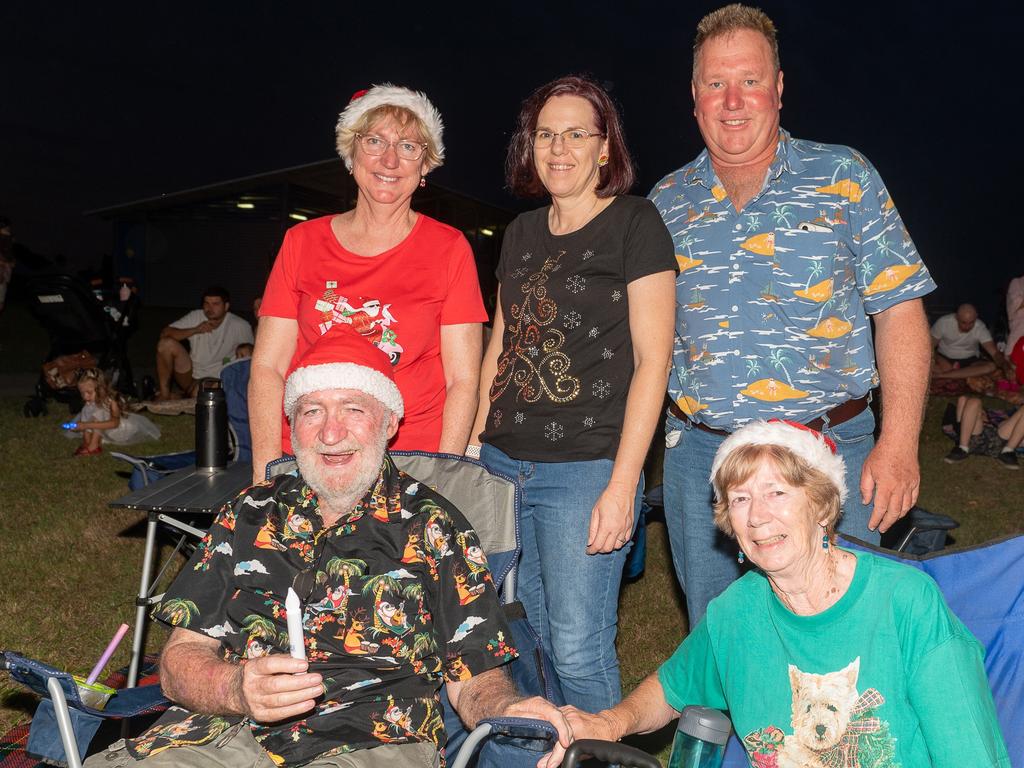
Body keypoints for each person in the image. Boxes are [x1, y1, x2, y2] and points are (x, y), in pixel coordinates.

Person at [84, 326, 570, 768]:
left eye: (353, 410)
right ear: (292, 428)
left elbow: (476, 676)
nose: (330, 433)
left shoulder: (434, 526)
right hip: (218, 735)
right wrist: (233, 686)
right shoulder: (248, 512)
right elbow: (178, 661)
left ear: (388, 423)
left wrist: (508, 707)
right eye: (312, 411)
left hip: (369, 743)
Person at [648, 3, 935, 625]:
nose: (732, 100)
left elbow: (900, 311)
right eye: (715, 84)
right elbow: (645, 347)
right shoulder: (665, 203)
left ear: (778, 88)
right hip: (706, 462)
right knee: (724, 642)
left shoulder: (844, 176)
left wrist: (901, 441)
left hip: (833, 453)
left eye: (749, 81)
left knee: (852, 636)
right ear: (694, 96)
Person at [544, 419, 1010, 768]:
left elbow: (968, 750)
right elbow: (670, 690)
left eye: (777, 493)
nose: (757, 516)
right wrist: (609, 723)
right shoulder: (735, 612)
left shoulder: (906, 602)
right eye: (740, 499)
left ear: (822, 505)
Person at [468, 75, 676, 712]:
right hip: (504, 463)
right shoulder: (521, 232)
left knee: (578, 644)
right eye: (545, 135)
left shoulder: (635, 223)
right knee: (523, 636)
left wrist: (623, 485)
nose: (559, 148)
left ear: (605, 147)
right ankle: (543, 749)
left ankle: (598, 751)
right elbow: (499, 346)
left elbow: (653, 362)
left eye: (576, 134)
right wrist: (475, 444)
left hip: (585, 467)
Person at [251, 84, 487, 483]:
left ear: (426, 165)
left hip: (413, 459)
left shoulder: (449, 248)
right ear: (352, 153)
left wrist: (446, 475)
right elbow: (268, 367)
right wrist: (266, 471)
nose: (390, 159)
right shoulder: (301, 242)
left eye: (410, 147)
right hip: (312, 453)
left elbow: (463, 380)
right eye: (375, 141)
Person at [155, 285, 254, 400]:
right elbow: (165, 333)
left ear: (226, 306)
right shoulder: (196, 316)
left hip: (218, 379)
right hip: (191, 375)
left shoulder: (240, 325)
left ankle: (183, 396)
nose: (209, 308)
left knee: (200, 394)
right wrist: (196, 330)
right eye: (206, 303)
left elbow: (252, 357)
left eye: (215, 304)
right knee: (165, 344)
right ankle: (165, 394)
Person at [63, 368, 160, 455]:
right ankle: (87, 443)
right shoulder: (88, 404)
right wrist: (83, 427)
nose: (85, 397)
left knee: (98, 415)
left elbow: (114, 423)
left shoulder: (110, 401)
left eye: (89, 392)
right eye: (82, 393)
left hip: (117, 429)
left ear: (100, 388)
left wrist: (87, 425)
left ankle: (94, 446)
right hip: (102, 429)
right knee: (86, 413)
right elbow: (86, 422)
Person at [931, 303, 1012, 380]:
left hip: (969, 360)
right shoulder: (943, 322)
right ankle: (957, 373)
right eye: (963, 322)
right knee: (926, 365)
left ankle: (942, 375)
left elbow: (994, 353)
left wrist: (1005, 366)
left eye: (971, 323)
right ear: (956, 317)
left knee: (991, 366)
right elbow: (928, 348)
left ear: (976, 317)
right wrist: (938, 358)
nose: (967, 327)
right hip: (944, 358)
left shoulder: (980, 327)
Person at [945, 395, 1024, 469]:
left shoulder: (993, 417)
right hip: (974, 438)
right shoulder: (969, 418)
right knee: (974, 401)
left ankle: (1008, 451)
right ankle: (962, 448)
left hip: (998, 440)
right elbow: (962, 399)